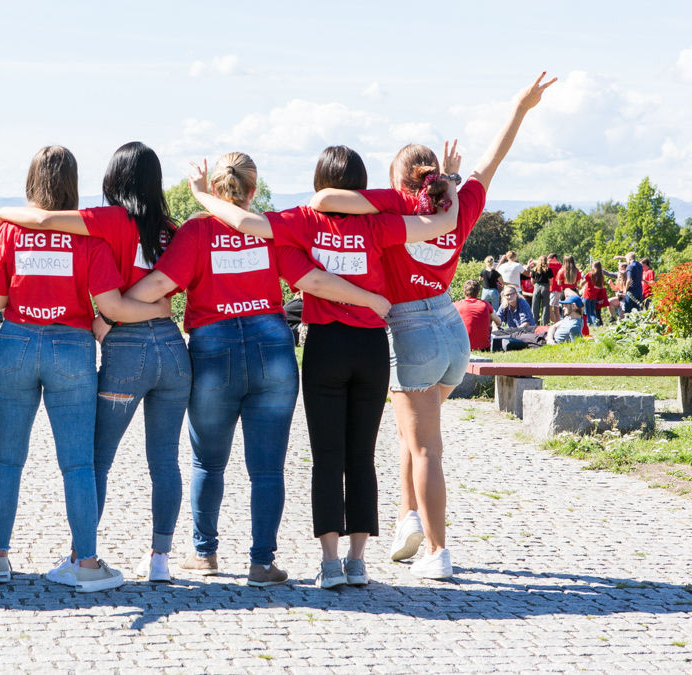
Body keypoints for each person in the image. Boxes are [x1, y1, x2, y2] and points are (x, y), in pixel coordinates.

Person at [307, 72, 555, 578]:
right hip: (451, 329)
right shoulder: (459, 209)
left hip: (409, 329)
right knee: (410, 434)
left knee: (425, 447)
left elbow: (327, 201)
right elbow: (492, 160)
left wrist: (394, 198)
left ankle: (438, 552)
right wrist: (520, 108)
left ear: (400, 183)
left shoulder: (396, 212)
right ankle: (407, 518)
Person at [182, 147, 458, 589]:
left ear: (319, 182)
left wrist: (202, 196)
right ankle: (357, 561)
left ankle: (329, 563)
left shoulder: (304, 221)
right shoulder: (376, 224)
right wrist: (453, 183)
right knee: (362, 457)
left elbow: (246, 223)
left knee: (326, 458)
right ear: (362, 184)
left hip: (325, 345)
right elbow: (444, 224)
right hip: (370, 346)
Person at [126, 152, 392, 587]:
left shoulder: (197, 230)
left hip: (213, 348)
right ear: (253, 190)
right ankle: (262, 562)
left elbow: (158, 285)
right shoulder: (271, 229)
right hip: (272, 347)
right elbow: (311, 280)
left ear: (215, 191)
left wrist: (113, 307)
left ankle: (204, 553)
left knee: (207, 463)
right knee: (267, 468)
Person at [0, 141, 189, 583]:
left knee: (90, 460)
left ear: (113, 179)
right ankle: (159, 559)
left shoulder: (106, 223)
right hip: (172, 350)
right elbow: (162, 286)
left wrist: (5, 213)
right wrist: (157, 310)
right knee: (166, 460)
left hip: (123, 349)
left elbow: (41, 224)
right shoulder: (172, 229)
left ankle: (73, 555)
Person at [454, 280, 501, 351]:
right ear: (478, 292)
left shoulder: (457, 305)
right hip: (484, 348)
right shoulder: (486, 305)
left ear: (464, 291)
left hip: (462, 348)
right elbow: (498, 322)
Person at [579, 261, 608, 327]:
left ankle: (588, 325)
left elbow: (581, 284)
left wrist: (581, 278)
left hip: (587, 295)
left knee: (587, 312)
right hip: (595, 296)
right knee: (592, 312)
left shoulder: (590, 274)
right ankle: (596, 324)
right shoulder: (601, 276)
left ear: (593, 267)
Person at [529, 257, 552, 325]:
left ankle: (534, 323)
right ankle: (545, 323)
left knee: (535, 307)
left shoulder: (535, 269)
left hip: (537, 286)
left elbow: (532, 281)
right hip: (545, 287)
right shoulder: (549, 270)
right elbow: (551, 282)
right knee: (545, 306)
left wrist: (536, 285)